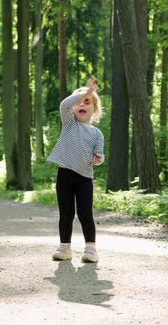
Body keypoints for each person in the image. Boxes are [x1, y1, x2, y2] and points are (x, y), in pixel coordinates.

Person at [47, 76, 104, 263]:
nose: (82, 104)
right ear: (73, 108)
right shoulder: (69, 124)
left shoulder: (97, 134)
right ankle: (64, 248)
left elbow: (99, 155)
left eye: (87, 102)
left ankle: (91, 249)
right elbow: (64, 104)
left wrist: (98, 159)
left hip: (84, 178)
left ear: (94, 109)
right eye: (78, 102)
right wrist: (85, 92)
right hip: (64, 175)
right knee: (66, 213)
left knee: (85, 213)